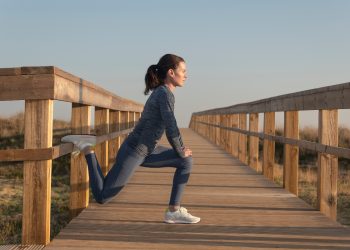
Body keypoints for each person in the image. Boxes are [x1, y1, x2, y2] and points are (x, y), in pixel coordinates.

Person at [61, 54, 200, 224]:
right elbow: (171, 126)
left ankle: (173, 211)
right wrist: (180, 149)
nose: (186, 75)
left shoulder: (164, 93)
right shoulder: (164, 94)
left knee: (186, 161)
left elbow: (170, 126)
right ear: (171, 72)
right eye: (183, 71)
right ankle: (87, 148)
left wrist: (181, 152)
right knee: (103, 196)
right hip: (134, 151)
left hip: (148, 150)